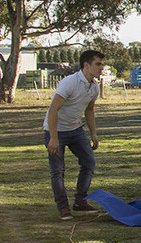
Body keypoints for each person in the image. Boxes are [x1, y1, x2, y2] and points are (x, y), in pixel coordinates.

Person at [43, 50, 105, 220]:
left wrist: (93, 134)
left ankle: (80, 202)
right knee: (57, 170)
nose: (101, 67)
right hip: (56, 130)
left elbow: (90, 110)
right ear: (86, 65)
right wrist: (54, 138)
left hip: (76, 130)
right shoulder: (69, 83)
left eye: (102, 64)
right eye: (98, 64)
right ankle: (63, 208)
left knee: (89, 162)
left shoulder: (94, 86)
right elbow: (53, 109)